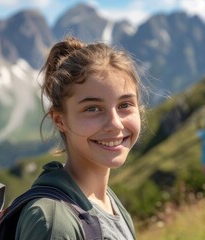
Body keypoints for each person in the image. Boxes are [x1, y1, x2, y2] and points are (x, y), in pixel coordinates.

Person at [15, 37, 144, 239]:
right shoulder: (55, 222)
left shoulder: (109, 203)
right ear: (59, 120)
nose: (115, 124)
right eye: (92, 108)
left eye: (125, 105)